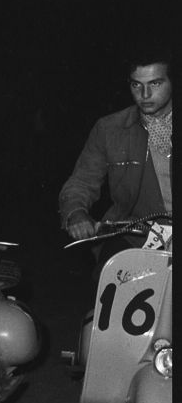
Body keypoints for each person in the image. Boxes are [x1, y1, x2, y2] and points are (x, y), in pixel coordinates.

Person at [59, 49, 172, 265]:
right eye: (136, 85)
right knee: (113, 280)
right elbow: (82, 181)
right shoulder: (109, 129)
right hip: (136, 238)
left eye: (155, 84)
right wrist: (76, 213)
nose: (145, 94)